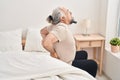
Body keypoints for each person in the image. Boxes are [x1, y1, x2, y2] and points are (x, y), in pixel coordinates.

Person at [40, 7, 97, 77]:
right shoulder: (61, 29)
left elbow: (42, 31)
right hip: (66, 64)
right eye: (68, 12)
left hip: (65, 58)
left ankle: (79, 76)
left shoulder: (54, 26)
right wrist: (53, 52)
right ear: (62, 18)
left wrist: (54, 46)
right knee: (93, 64)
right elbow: (46, 43)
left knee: (84, 53)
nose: (71, 13)